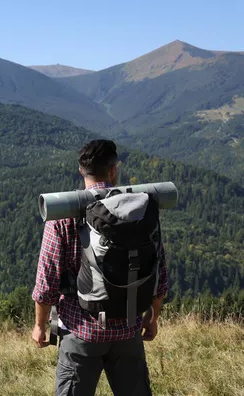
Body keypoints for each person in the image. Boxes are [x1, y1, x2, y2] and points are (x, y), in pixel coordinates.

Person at [31, 139, 168, 395]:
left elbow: (46, 280)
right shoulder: (141, 212)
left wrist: (40, 325)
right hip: (128, 328)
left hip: (81, 331)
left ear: (81, 170)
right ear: (113, 170)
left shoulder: (62, 215)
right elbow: (158, 270)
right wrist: (153, 317)